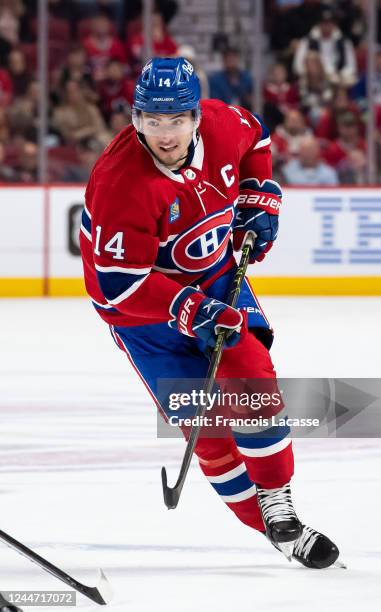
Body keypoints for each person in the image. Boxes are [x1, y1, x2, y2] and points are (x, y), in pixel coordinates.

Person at [80, 57, 341, 569]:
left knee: (249, 375)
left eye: (176, 119)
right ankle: (273, 528)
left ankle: (278, 501)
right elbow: (116, 287)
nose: (165, 133)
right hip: (145, 318)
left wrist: (259, 198)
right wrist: (187, 309)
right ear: (135, 119)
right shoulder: (119, 184)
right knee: (211, 433)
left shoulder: (224, 124)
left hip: (217, 279)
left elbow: (258, 139)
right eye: (153, 120)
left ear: (196, 116)